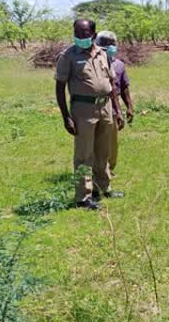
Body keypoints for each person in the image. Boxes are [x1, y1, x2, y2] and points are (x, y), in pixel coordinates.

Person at [55, 19, 125, 210]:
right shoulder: (68, 56)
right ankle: (82, 197)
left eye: (84, 33)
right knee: (84, 154)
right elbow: (60, 87)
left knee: (103, 151)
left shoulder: (102, 54)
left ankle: (102, 187)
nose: (80, 37)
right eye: (77, 33)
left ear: (93, 35)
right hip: (83, 110)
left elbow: (110, 84)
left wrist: (117, 110)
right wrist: (66, 116)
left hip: (105, 107)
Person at [94, 31, 134, 175]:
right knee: (95, 142)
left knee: (111, 143)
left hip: (112, 107)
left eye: (112, 44)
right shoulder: (93, 64)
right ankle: (95, 172)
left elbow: (124, 88)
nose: (110, 47)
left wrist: (129, 107)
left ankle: (108, 170)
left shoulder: (119, 65)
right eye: (106, 45)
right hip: (94, 107)